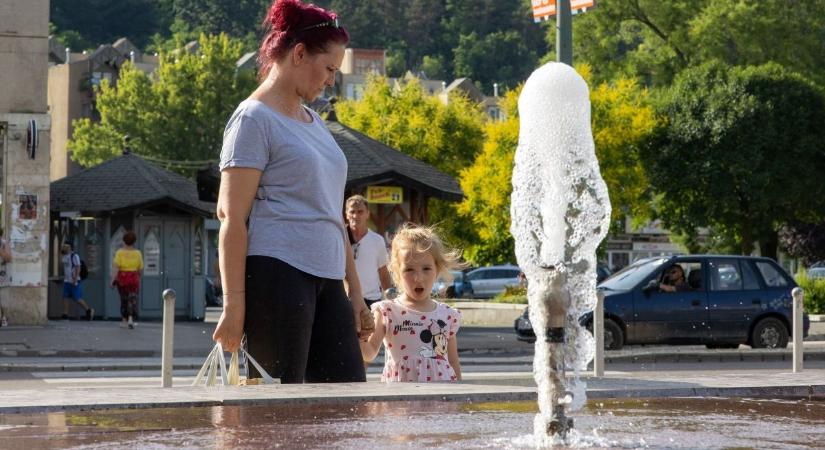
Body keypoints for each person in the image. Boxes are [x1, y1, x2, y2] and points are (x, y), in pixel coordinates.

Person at [212, 0, 373, 384]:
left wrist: (355, 293)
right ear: (299, 54)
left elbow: (333, 214)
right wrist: (234, 304)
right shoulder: (253, 118)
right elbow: (230, 216)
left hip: (328, 275)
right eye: (330, 68)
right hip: (277, 271)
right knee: (279, 415)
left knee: (347, 403)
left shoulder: (314, 121)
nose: (332, 79)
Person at [360, 224, 463, 382]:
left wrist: (461, 396)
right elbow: (370, 353)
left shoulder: (447, 315)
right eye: (409, 270)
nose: (418, 277)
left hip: (440, 399)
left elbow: (453, 362)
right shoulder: (387, 311)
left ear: (437, 269)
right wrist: (358, 335)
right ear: (396, 272)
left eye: (426, 269)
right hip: (400, 398)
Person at [345, 195, 392, 308]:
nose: (356, 216)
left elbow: (383, 272)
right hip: (346, 298)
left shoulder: (377, 240)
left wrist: (390, 300)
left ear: (367, 214)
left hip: (372, 299)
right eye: (352, 212)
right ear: (346, 214)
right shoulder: (340, 237)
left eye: (360, 212)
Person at [111, 231, 143, 329]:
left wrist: (113, 280)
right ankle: (130, 319)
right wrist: (138, 277)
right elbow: (140, 268)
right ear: (134, 241)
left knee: (123, 299)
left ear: (124, 241)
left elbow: (116, 268)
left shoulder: (120, 253)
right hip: (133, 277)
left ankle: (124, 320)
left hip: (122, 277)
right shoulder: (138, 253)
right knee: (132, 299)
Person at [61, 243, 94, 320]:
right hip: (67, 280)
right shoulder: (65, 256)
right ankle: (65, 313)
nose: (64, 248)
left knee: (77, 298)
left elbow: (78, 267)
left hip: (74, 280)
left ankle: (88, 310)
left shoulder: (74, 256)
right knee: (65, 297)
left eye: (66, 247)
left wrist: (75, 279)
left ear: (70, 248)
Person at [0, 228, 12, 327]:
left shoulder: (4, 243)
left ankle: (4, 317)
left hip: (2, 275)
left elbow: (8, 258)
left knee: (3, 298)